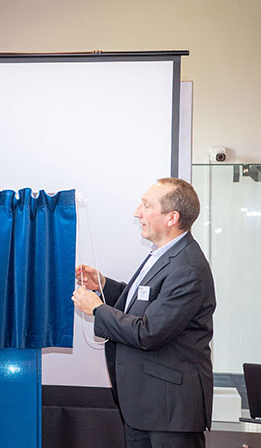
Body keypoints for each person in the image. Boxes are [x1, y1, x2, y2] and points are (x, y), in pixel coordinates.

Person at [71, 178, 216, 448]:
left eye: (146, 205)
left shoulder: (187, 267)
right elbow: (146, 302)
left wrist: (97, 309)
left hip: (169, 412)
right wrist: (103, 286)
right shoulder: (165, 254)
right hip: (146, 406)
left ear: (172, 217)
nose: (137, 213)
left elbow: (149, 332)